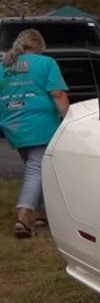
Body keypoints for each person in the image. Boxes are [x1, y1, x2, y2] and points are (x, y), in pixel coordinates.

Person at [0, 29, 69, 238]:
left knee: (36, 169)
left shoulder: (5, 65)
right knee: (36, 170)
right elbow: (57, 94)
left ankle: (41, 215)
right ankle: (24, 218)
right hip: (41, 123)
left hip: (13, 123)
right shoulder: (45, 63)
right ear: (40, 46)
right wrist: (68, 120)